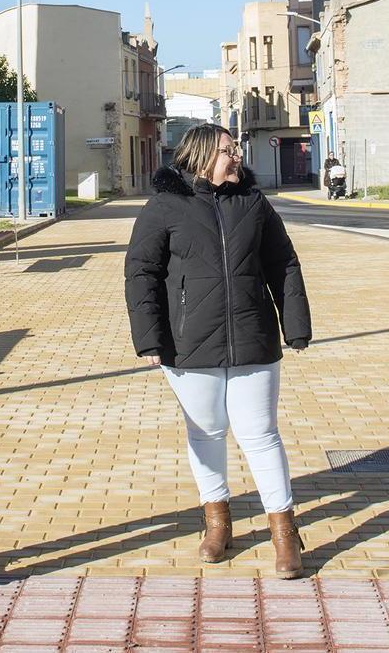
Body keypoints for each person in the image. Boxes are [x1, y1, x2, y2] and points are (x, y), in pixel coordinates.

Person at [124, 124, 313, 579]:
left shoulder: (254, 202)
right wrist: (149, 339)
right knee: (206, 432)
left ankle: (285, 533)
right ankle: (217, 523)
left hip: (253, 335)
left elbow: (282, 262)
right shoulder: (166, 205)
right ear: (203, 155)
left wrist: (295, 325)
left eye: (237, 150)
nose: (238, 159)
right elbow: (141, 272)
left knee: (260, 434)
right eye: (229, 152)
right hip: (188, 341)